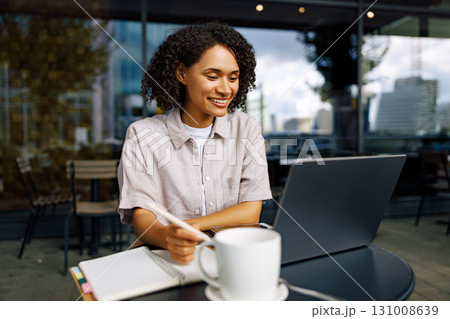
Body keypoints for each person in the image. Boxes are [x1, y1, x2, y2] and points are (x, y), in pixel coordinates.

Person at [118, 23, 271, 263]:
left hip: (231, 256)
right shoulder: (142, 134)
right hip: (171, 259)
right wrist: (168, 237)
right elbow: (143, 216)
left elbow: (251, 212)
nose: (225, 89)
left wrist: (187, 227)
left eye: (233, 78)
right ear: (182, 74)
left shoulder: (246, 128)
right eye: (212, 76)